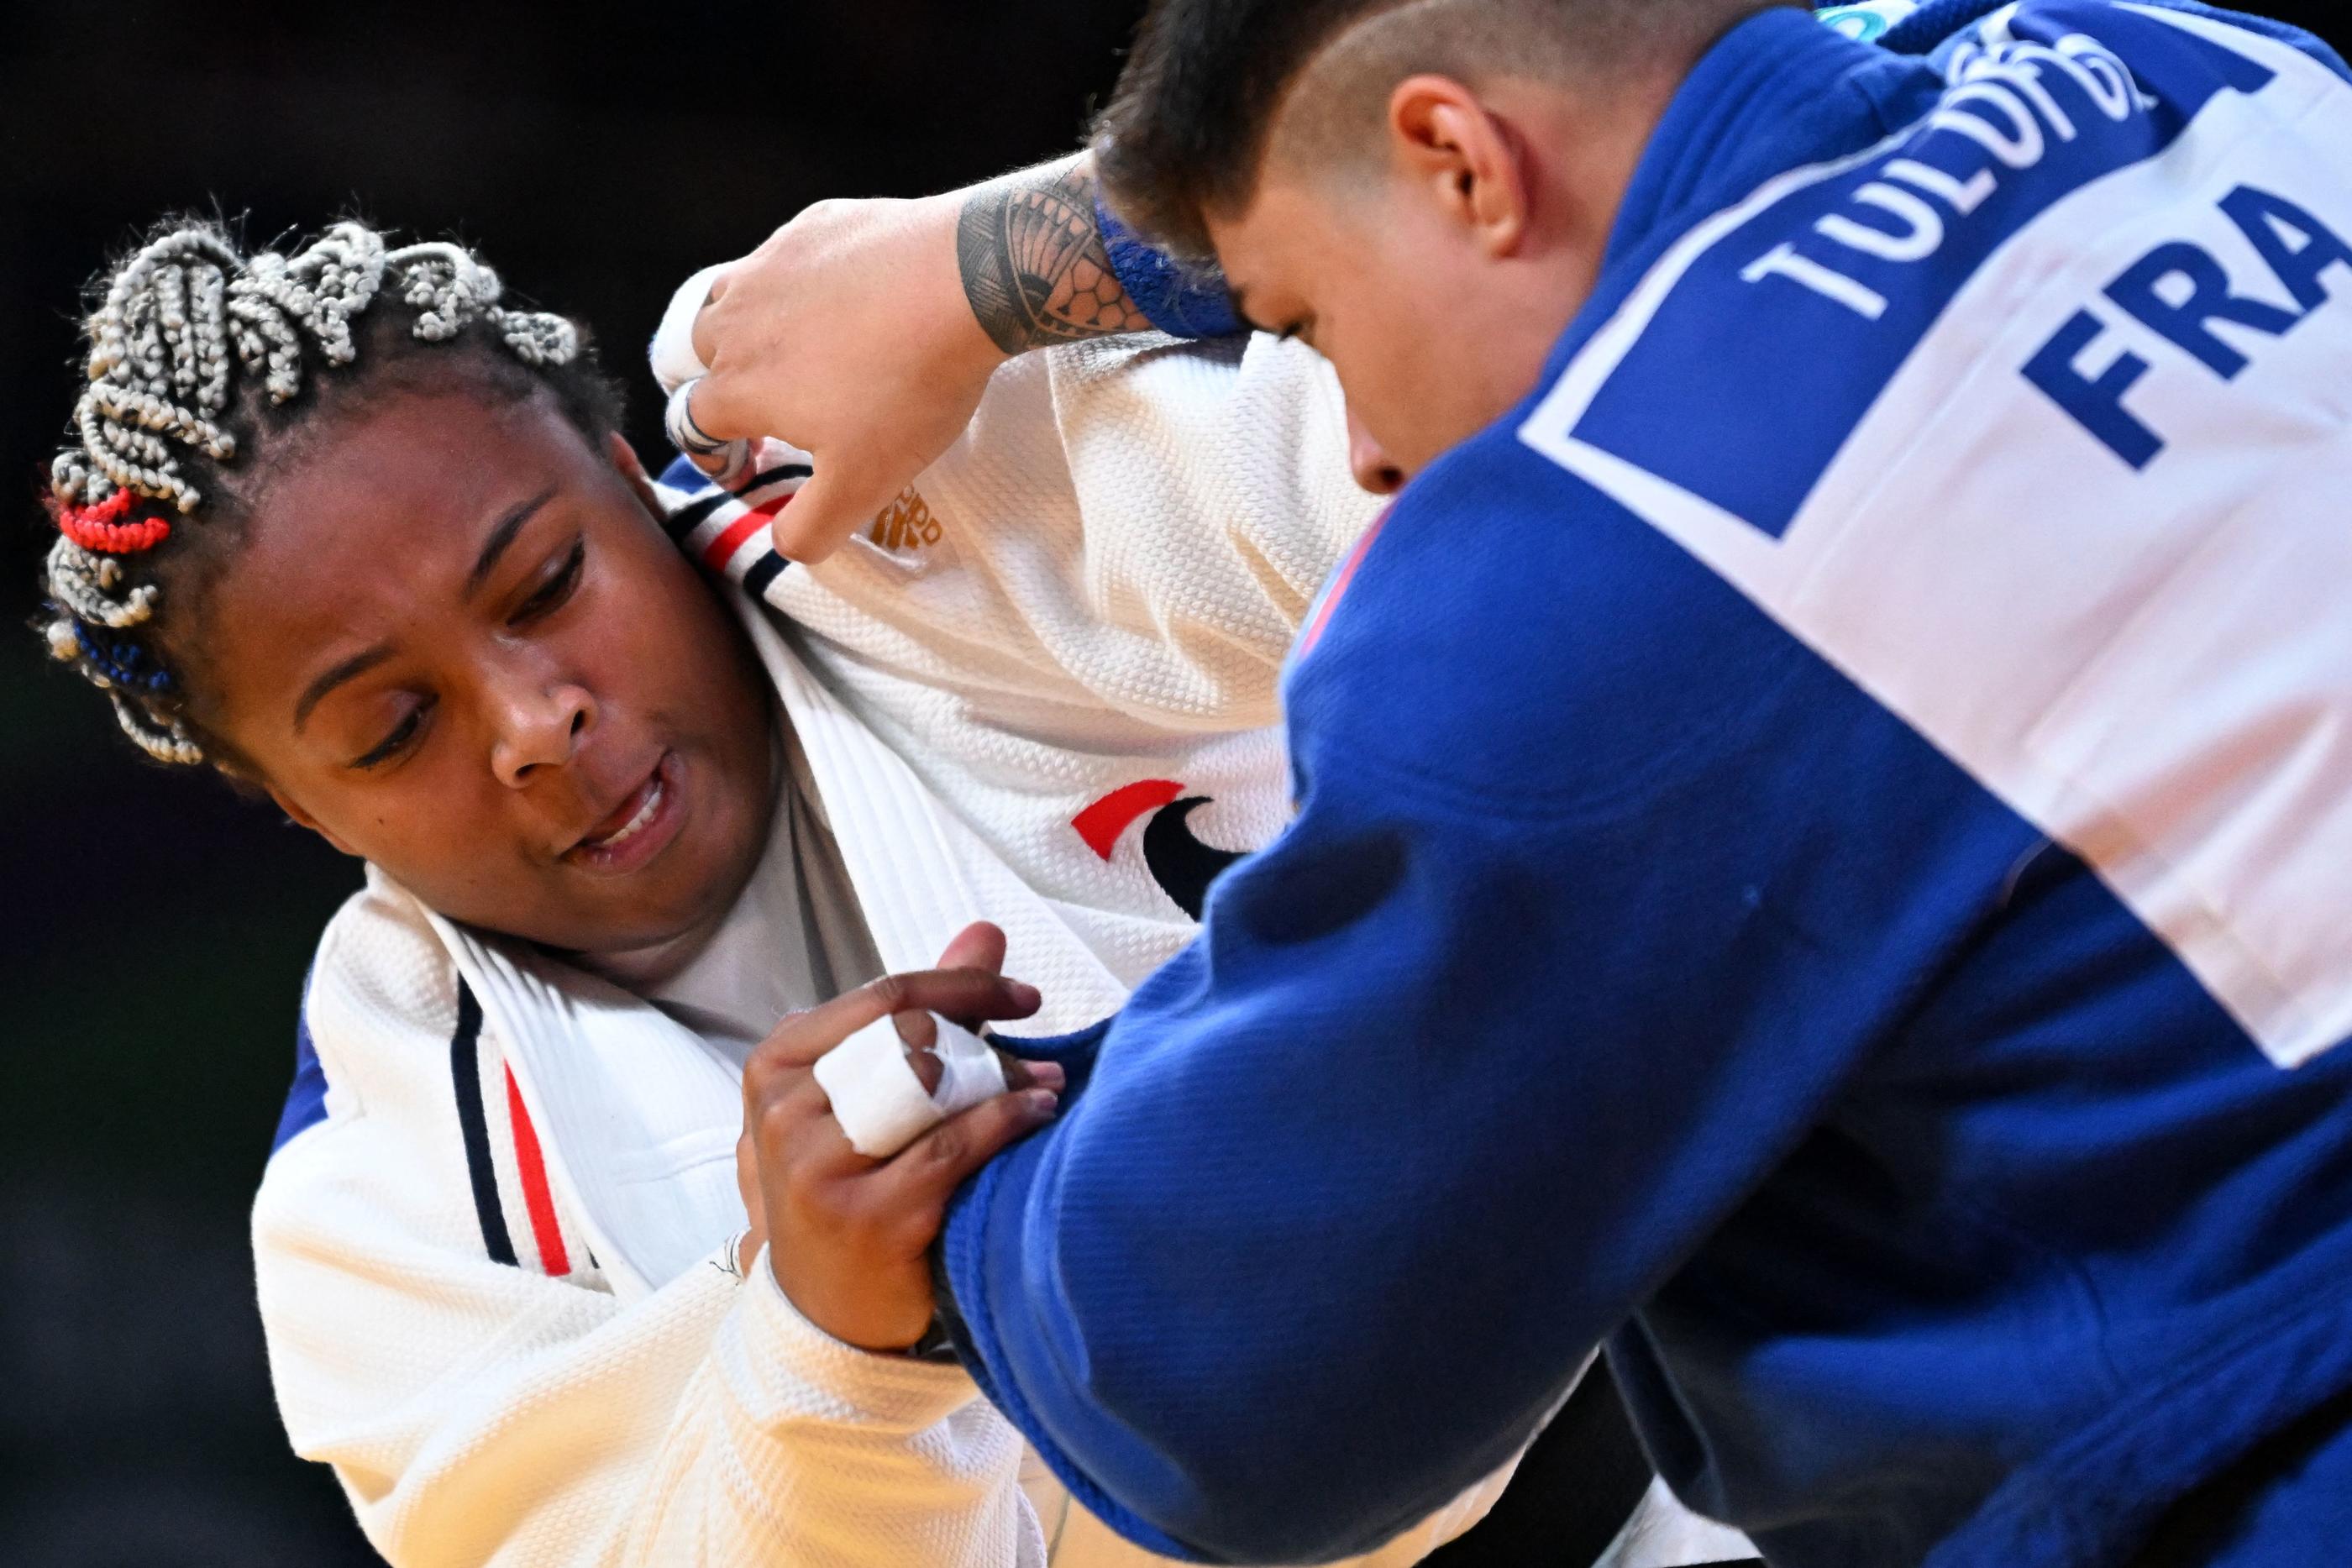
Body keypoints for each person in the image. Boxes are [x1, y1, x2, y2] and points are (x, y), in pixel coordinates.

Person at [673, 2, 2352, 1564]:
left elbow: (1228, 1359)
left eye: (1308, 323)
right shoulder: (2193, 61)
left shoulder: (1611, 545)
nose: (1363, 445)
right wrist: (969, 270)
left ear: (1466, 165)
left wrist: (961, 1186)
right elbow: (1731, 62)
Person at [33, 217, 1572, 1565]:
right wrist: (836, 1356)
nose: (533, 726)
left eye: (549, 586)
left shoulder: (939, 500)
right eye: (394, 728)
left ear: (633, 478)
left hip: (1688, 1293)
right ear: (293, 805)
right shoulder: (382, 1226)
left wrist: (1025, 254)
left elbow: (1540, 373)